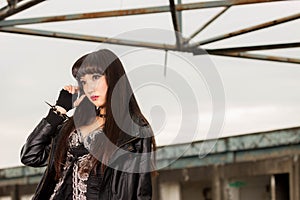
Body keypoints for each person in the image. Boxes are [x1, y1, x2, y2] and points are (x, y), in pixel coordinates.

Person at [20, 49, 156, 200]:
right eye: (84, 82)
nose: (90, 88)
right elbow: (31, 156)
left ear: (114, 78)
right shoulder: (73, 126)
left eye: (96, 77)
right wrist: (59, 110)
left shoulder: (134, 131)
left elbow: (140, 192)